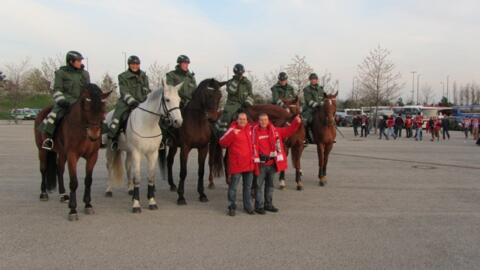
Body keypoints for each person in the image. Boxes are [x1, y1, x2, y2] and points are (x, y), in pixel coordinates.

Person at [39, 51, 90, 150]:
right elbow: (57, 89)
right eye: (78, 61)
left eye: (80, 60)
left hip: (80, 102)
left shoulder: (85, 74)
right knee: (53, 116)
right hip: (65, 101)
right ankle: (48, 139)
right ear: (71, 61)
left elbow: (88, 89)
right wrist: (61, 101)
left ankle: (101, 139)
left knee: (96, 116)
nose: (80, 63)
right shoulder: (61, 73)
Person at [252, 113, 302, 214]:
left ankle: (268, 204)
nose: (263, 122)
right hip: (260, 165)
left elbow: (289, 131)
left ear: (268, 120)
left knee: (270, 186)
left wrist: (296, 122)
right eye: (261, 120)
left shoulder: (275, 131)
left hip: (272, 164)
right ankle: (259, 206)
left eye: (265, 120)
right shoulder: (253, 132)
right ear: (258, 121)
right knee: (258, 186)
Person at [106, 56, 151, 150]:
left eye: (137, 64)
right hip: (126, 102)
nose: (135, 66)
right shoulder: (123, 76)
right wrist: (132, 101)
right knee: (118, 117)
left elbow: (147, 90)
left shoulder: (144, 76)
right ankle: (114, 138)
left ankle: (161, 140)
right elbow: (124, 91)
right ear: (129, 65)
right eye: (133, 64)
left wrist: (149, 100)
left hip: (142, 102)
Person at [219, 113, 255, 216]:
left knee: (247, 187)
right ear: (237, 120)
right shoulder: (232, 129)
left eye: (244, 119)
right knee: (233, 187)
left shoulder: (250, 129)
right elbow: (222, 143)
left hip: (249, 164)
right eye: (240, 119)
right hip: (236, 165)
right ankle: (232, 206)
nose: (242, 121)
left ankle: (248, 206)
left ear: (247, 120)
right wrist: (232, 134)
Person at [215, 64, 254, 136]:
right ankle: (222, 133)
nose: (240, 75)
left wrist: (247, 102)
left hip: (245, 104)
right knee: (227, 115)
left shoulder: (247, 82)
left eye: (241, 73)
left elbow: (250, 94)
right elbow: (231, 91)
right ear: (235, 73)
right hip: (232, 104)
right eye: (238, 73)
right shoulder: (230, 82)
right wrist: (236, 80)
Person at [302, 73, 324, 144]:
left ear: (317, 80)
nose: (313, 81)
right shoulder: (306, 89)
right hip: (309, 109)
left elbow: (323, 98)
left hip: (320, 108)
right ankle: (305, 138)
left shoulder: (321, 89)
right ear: (310, 80)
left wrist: (322, 103)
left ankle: (329, 137)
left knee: (329, 118)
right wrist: (316, 104)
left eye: (315, 79)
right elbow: (308, 100)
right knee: (305, 121)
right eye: (312, 79)